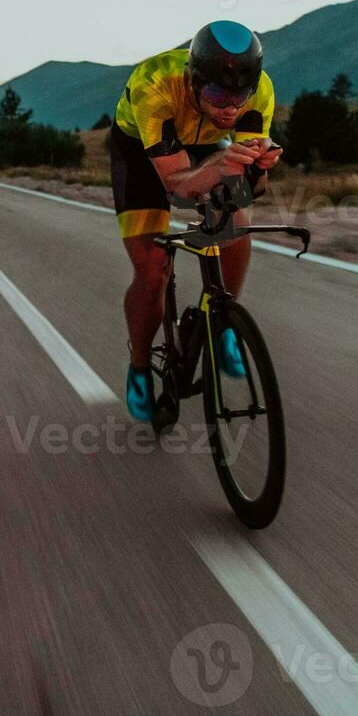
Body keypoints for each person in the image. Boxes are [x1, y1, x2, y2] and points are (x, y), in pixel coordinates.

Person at [107, 21, 284, 420]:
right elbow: (176, 186)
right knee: (153, 271)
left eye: (240, 94)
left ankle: (223, 323)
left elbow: (252, 189)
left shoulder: (262, 92)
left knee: (237, 216)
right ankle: (138, 367)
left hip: (205, 145)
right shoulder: (155, 83)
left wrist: (257, 170)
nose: (230, 107)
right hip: (141, 155)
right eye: (218, 93)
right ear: (192, 79)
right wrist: (221, 164)